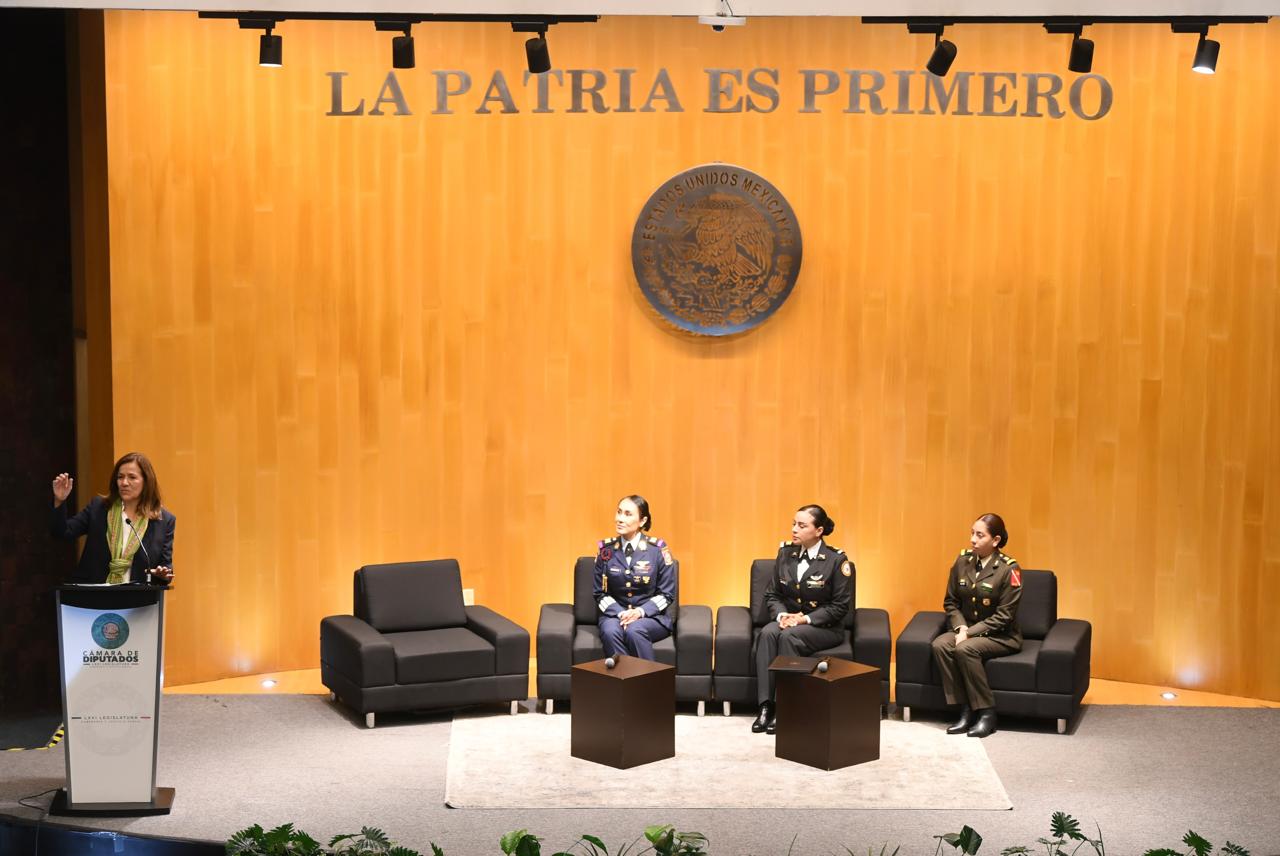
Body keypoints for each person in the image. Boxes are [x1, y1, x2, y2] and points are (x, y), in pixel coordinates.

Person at [752, 504, 852, 734]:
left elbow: (839, 607)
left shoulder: (837, 560)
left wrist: (803, 619)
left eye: (801, 525)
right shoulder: (785, 554)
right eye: (793, 524)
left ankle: (788, 708)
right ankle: (766, 706)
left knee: (789, 636)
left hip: (823, 627)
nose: (794, 529)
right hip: (789, 621)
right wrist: (782, 615)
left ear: (819, 531)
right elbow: (773, 594)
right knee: (767, 633)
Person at [931, 513, 1023, 738]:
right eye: (972, 533)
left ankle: (987, 714)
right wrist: (961, 628)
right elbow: (951, 602)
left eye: (980, 535)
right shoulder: (962, 561)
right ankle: (966, 709)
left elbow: (1004, 616)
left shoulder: (1009, 569)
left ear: (996, 540)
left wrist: (970, 633)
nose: (973, 539)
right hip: (966, 629)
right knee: (940, 645)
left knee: (965, 648)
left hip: (1000, 635)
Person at [50, 452, 176, 585]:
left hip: (137, 596)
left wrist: (163, 574)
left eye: (132, 477)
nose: (124, 483)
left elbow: (166, 567)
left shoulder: (163, 520)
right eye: (120, 477)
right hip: (94, 593)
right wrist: (59, 500)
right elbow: (61, 532)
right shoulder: (98, 508)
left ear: (146, 481)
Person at [593, 495, 675, 661]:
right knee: (610, 631)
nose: (620, 519)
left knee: (634, 630)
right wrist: (621, 613)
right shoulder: (606, 550)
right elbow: (599, 593)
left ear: (642, 521)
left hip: (651, 616)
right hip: (615, 614)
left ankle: (648, 677)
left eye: (628, 514)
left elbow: (667, 594)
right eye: (619, 512)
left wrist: (639, 612)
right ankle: (628, 678)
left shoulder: (657, 550)